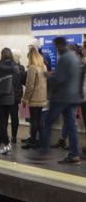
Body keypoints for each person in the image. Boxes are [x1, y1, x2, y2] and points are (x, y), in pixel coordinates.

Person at [39, 37, 82, 165]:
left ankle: (44, 152)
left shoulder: (64, 58)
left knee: (47, 122)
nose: (56, 49)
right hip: (74, 97)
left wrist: (48, 76)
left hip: (61, 97)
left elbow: (60, 79)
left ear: (59, 45)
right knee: (71, 126)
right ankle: (74, 155)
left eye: (56, 46)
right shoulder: (75, 58)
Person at [0, 48, 20, 155]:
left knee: (1, 121)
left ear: (1, 55)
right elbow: (17, 82)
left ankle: (6, 144)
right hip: (9, 98)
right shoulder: (15, 66)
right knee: (4, 121)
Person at [21, 45, 47, 150]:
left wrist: (25, 99)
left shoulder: (32, 67)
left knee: (34, 120)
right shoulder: (43, 66)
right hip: (42, 98)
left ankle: (33, 142)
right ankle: (41, 141)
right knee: (40, 120)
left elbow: (30, 85)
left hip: (34, 98)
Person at [10, 53, 26, 144]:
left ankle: (4, 136)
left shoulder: (8, 67)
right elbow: (24, 81)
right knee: (14, 116)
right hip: (16, 96)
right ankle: (14, 137)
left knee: (4, 116)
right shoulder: (21, 68)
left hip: (7, 96)